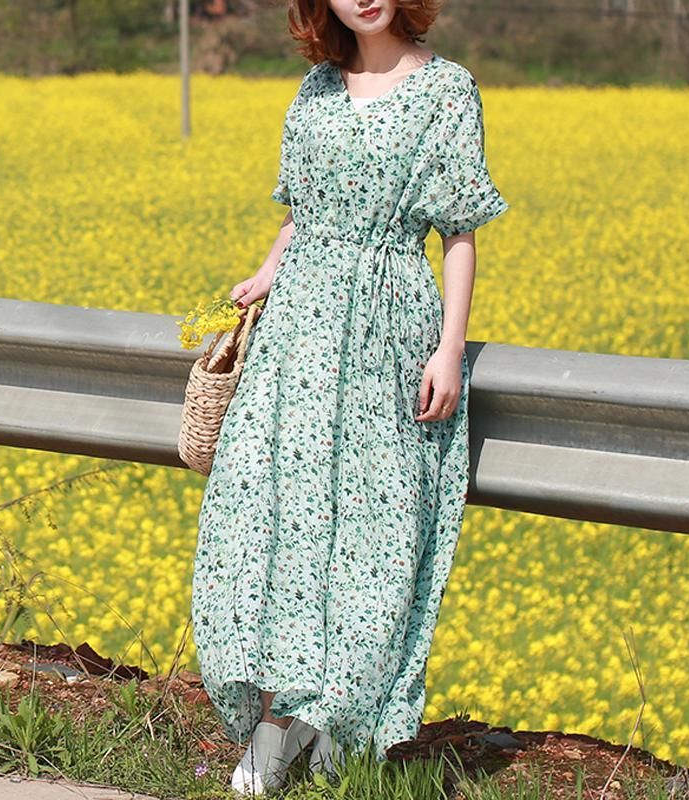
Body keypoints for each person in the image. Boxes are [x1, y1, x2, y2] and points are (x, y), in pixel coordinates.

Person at [191, 0, 510, 794]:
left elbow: (459, 230)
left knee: (377, 527)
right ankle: (278, 719)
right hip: (299, 328)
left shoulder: (447, 88)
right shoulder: (316, 91)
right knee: (276, 518)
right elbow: (302, 207)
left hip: (387, 327)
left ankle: (340, 720)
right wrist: (267, 272)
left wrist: (448, 350)